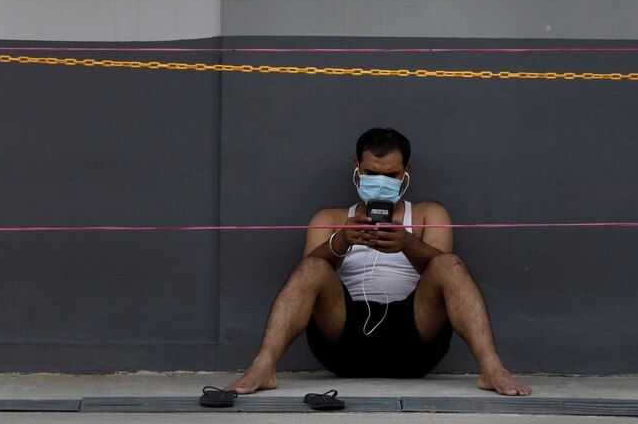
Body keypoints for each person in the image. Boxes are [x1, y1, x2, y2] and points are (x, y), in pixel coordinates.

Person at [225, 128, 531, 396]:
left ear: (406, 172)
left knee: (450, 265)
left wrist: (407, 243)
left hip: (413, 336)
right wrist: (341, 240)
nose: (380, 181)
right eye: (372, 173)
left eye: (391, 175)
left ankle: (491, 369)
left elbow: (442, 271)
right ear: (356, 168)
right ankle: (264, 366)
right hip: (344, 336)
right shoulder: (330, 218)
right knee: (312, 266)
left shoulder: (428, 213)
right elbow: (306, 279)